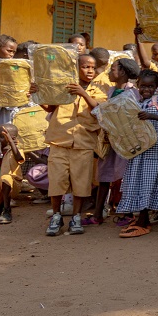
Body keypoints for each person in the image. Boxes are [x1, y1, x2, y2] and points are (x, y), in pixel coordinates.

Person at [41, 53, 107, 236]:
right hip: (59, 140)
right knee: (57, 181)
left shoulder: (98, 90)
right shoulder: (63, 88)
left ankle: (76, 216)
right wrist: (38, 95)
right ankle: (56, 216)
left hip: (83, 143)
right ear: (75, 69)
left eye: (92, 67)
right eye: (85, 67)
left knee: (81, 182)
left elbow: (99, 109)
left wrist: (83, 93)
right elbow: (50, 108)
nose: (90, 71)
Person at [115, 70, 158, 238]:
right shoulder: (136, 101)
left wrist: (152, 116)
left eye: (150, 86)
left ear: (157, 86)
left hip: (155, 149)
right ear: (137, 85)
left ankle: (143, 221)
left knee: (149, 182)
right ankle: (141, 218)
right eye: (143, 86)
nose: (146, 89)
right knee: (138, 181)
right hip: (139, 149)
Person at [86, 58, 140, 227]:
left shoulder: (132, 93)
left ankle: (127, 213)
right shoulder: (111, 91)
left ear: (122, 72)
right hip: (110, 139)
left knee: (123, 176)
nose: (109, 72)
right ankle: (98, 214)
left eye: (113, 69)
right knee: (104, 175)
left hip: (125, 141)